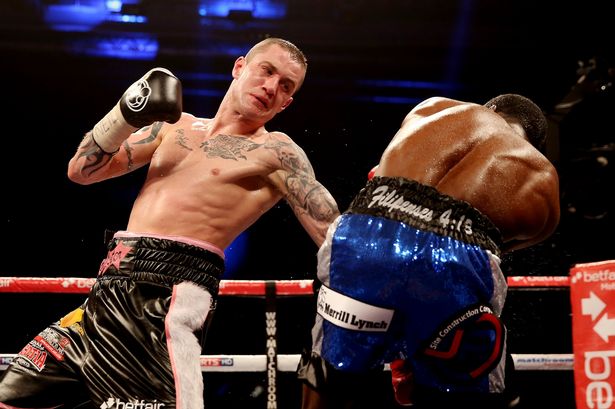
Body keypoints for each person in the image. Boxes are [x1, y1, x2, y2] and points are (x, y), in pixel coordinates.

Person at [0, 37, 339, 409]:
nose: (271, 87)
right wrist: (124, 114)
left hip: (165, 301)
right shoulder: (173, 127)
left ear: (287, 103)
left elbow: (333, 236)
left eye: (286, 86)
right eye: (267, 71)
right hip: (102, 298)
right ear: (240, 67)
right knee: (9, 398)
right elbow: (81, 171)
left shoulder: (277, 152)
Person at [297, 94, 560, 408]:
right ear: (536, 145)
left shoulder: (434, 108)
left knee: (329, 377)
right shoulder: (543, 180)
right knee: (474, 389)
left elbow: (382, 179)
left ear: (487, 109)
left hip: (367, 231)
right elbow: (485, 249)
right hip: (453, 257)